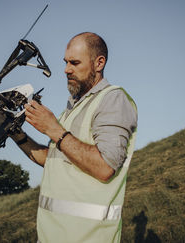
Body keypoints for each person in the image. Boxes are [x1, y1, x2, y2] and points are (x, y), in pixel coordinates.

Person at [10, 32, 138, 243]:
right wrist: (16, 134)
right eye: (66, 62)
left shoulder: (113, 99)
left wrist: (53, 129)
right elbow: (53, 160)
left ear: (99, 63)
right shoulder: (73, 108)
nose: (66, 69)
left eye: (74, 62)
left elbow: (105, 167)